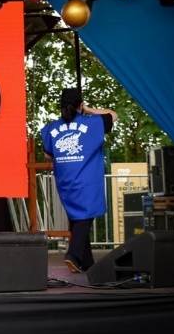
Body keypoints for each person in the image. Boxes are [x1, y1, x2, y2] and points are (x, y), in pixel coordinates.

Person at [41, 88, 117, 273]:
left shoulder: (50, 128)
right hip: (87, 180)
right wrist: (89, 109)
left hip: (66, 182)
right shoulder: (93, 123)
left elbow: (48, 155)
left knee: (77, 219)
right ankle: (73, 255)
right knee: (85, 218)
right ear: (79, 105)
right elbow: (114, 115)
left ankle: (87, 264)